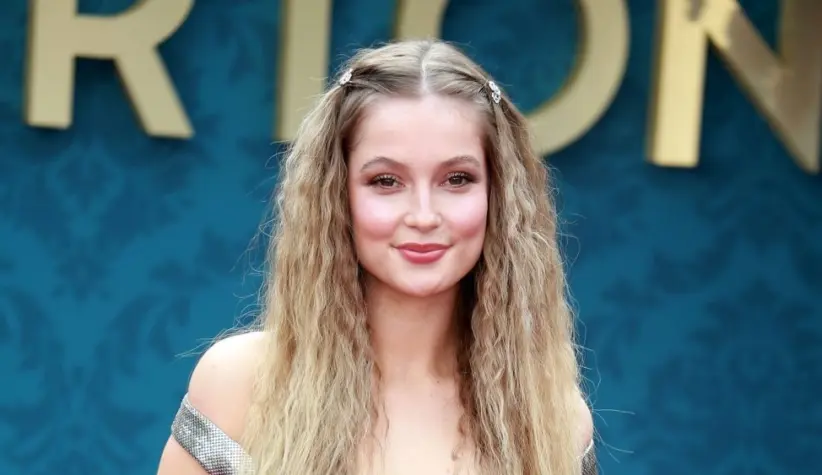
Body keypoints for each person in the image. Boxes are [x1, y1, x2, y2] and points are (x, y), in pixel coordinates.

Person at [156, 39, 596, 475]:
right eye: (386, 181)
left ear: (497, 195)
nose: (424, 215)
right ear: (336, 194)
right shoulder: (238, 383)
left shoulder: (554, 418)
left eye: (457, 178)